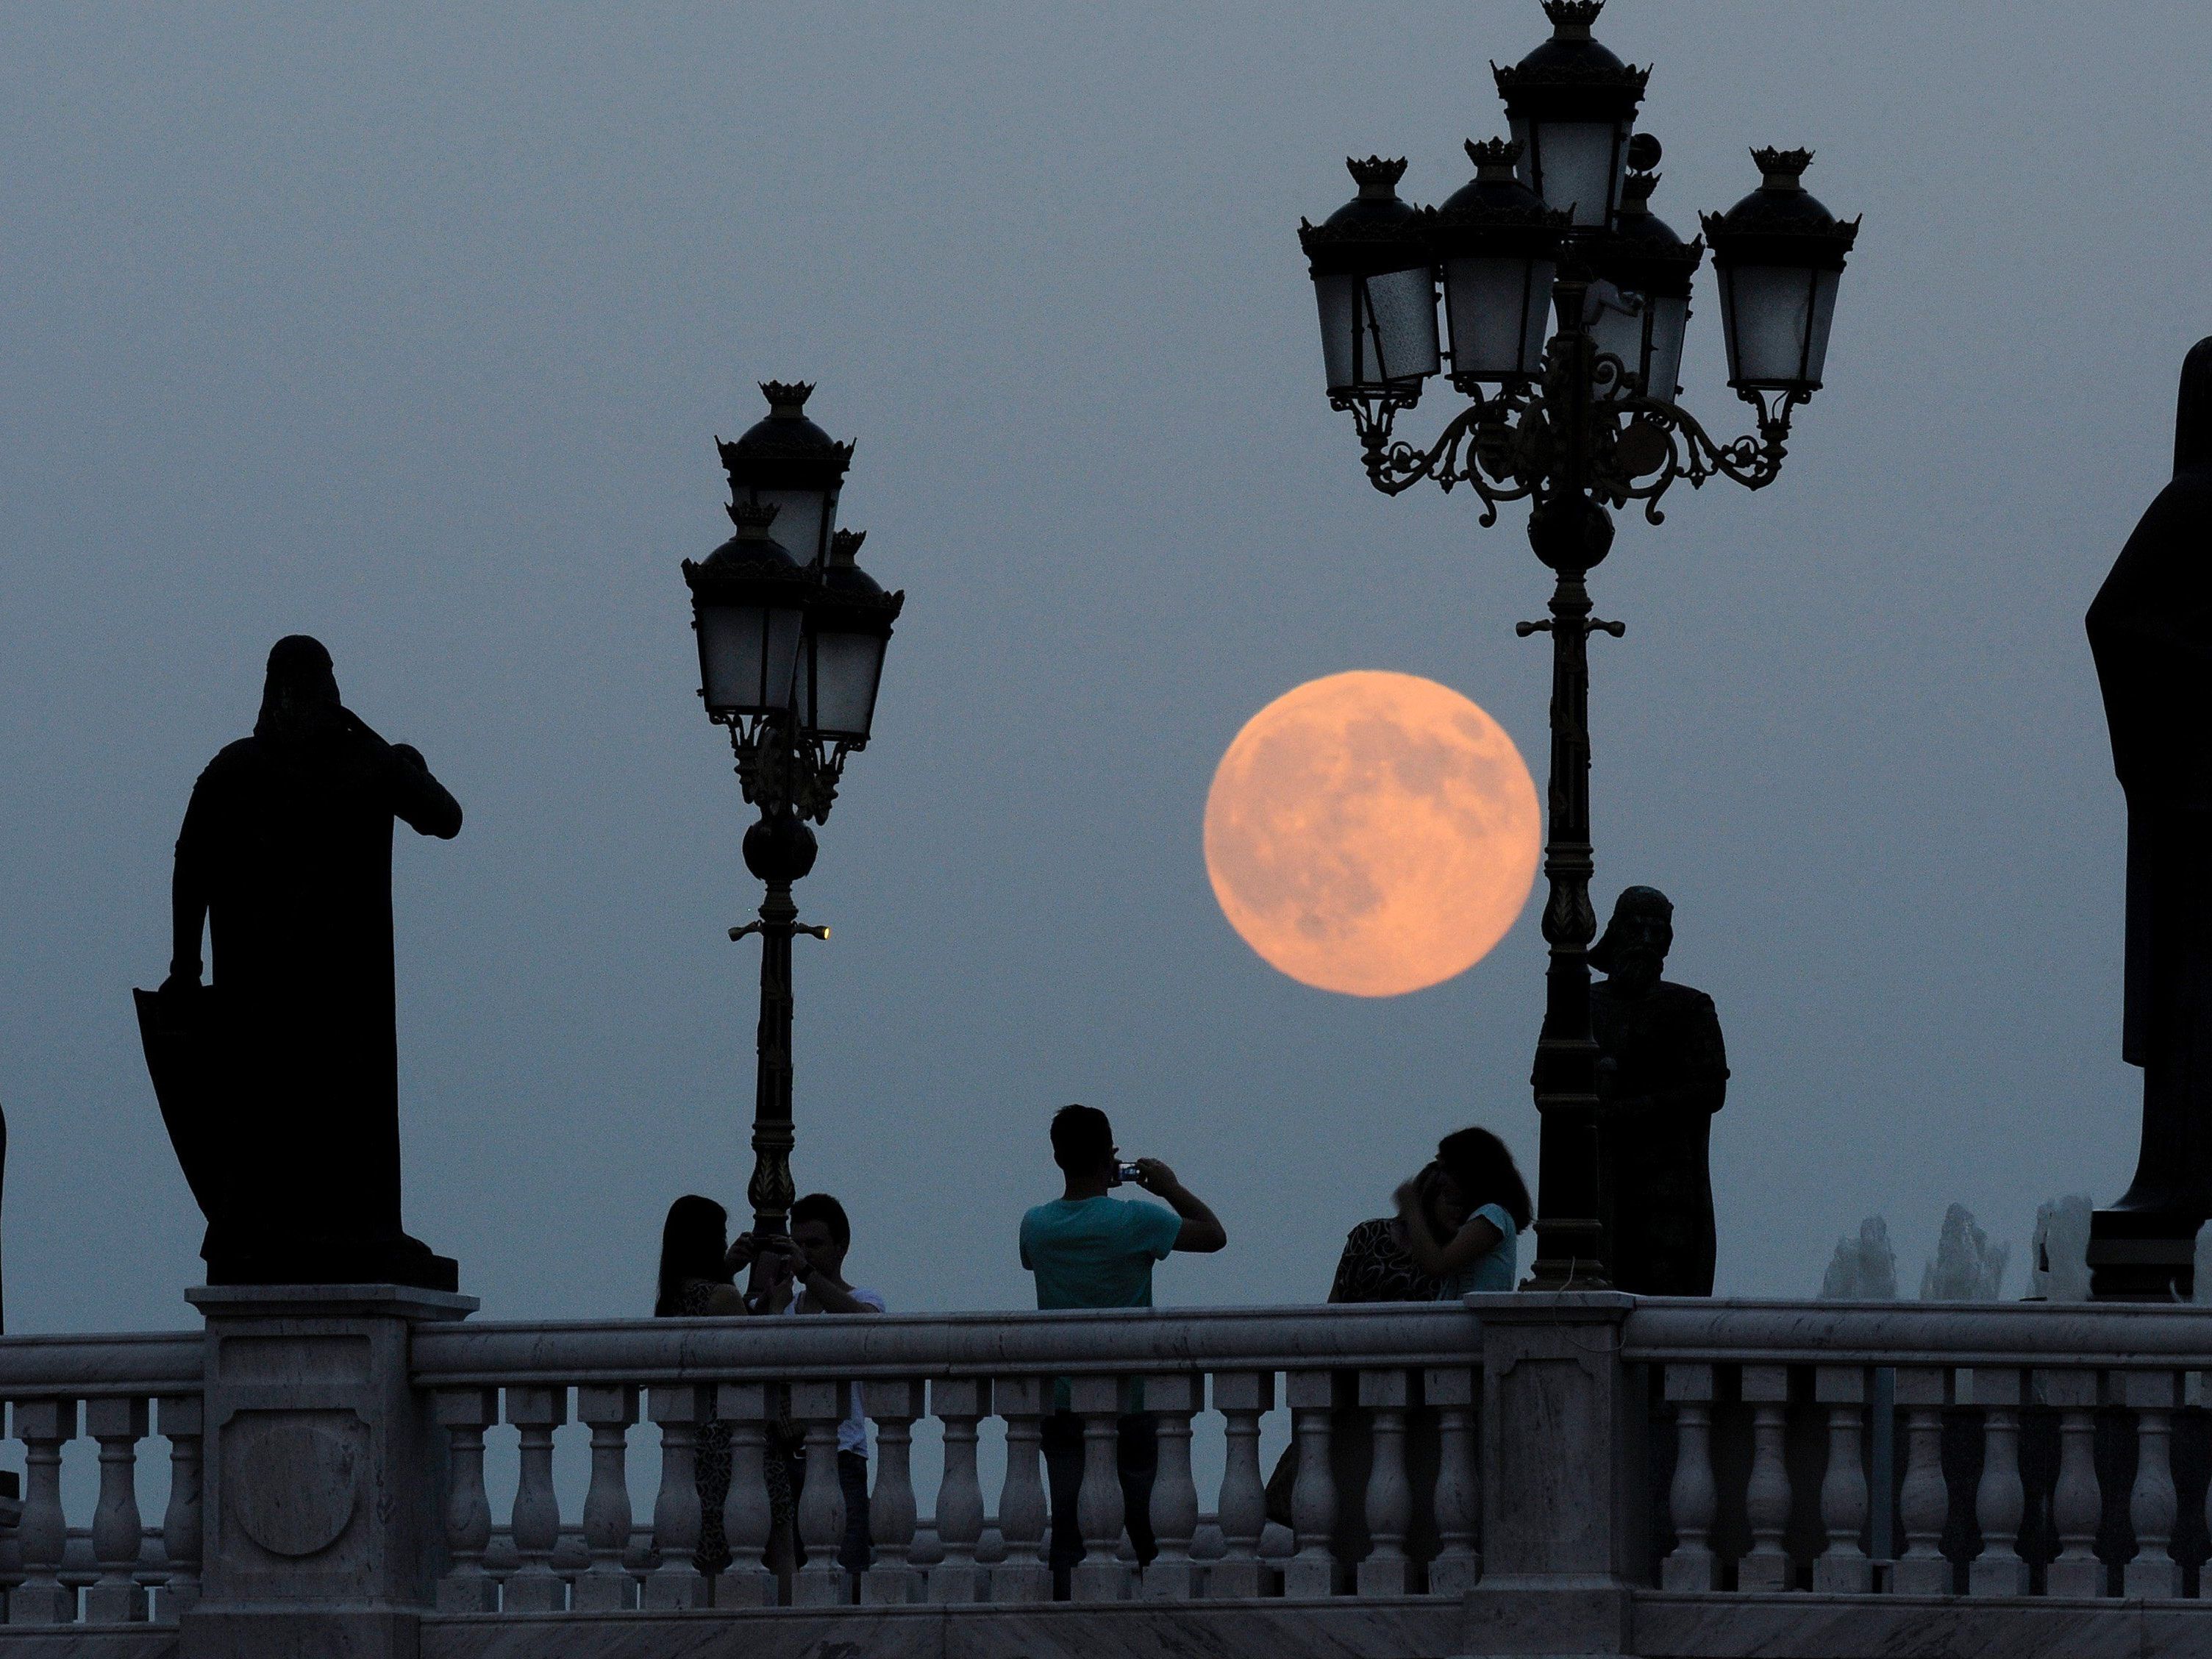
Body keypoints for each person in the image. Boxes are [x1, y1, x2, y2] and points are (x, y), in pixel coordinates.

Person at [149, 635, 463, 1289]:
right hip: (317, 995)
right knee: (308, 1118)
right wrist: (185, 964)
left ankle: (312, 1229)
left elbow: (191, 867)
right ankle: (317, 1231)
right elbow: (442, 813)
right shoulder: (350, 763)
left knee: (302, 1118)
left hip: (297, 994)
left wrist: (187, 965)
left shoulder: (259, 768)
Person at [2086, 337, 2212, 1296]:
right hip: (2201, 808)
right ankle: (2178, 1174)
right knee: (2194, 1006)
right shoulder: (2197, 503)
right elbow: (2120, 622)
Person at [1019, 1104, 1226, 1596]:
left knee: (1069, 1529)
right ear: (1111, 1155)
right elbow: (1213, 1235)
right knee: (1152, 1532)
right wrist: (1168, 1186)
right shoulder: (1136, 1221)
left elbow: (1030, 1263)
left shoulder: (1036, 1227)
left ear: (1056, 1157)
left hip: (1065, 1402)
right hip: (1132, 1401)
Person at [733, 1192, 885, 1578]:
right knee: (792, 1578)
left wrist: (808, 1277)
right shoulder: (784, 1305)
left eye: (815, 1244)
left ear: (842, 1247)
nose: (805, 1253)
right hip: (786, 1460)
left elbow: (867, 1327)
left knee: (848, 1573)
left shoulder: (864, 1299)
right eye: (797, 1245)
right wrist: (767, 1297)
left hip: (842, 1457)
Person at [1587, 887, 1728, 1295]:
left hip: (1668, 1187)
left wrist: (1635, 1109)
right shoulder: (1581, 1003)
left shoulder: (1691, 1008)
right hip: (1596, 1185)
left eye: (1658, 932)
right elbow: (1546, 1087)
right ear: (1616, 934)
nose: (1647, 942)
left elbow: (1710, 1090)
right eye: (1636, 930)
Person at [654, 1194, 744, 1575]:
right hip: (731, 1444)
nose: (725, 1244)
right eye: (720, 1236)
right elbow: (757, 1352)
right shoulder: (721, 1296)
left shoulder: (670, 1301)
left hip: (689, 1448)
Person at [1396, 1127, 1533, 1294]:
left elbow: (1437, 1265)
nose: (1440, 1180)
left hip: (1475, 1320)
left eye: (1447, 1170)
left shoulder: (1491, 1216)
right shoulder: (1486, 1217)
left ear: (1468, 1172)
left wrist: (1412, 1209)